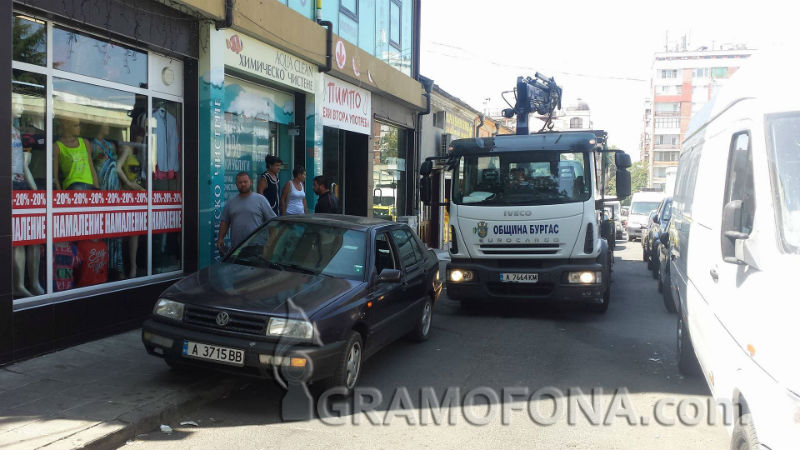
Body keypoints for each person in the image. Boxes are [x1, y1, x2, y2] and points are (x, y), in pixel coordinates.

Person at [217, 172, 276, 253]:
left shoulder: (260, 199)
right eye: (240, 182)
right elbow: (225, 222)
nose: (243, 184)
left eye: (245, 181)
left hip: (257, 246)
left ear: (250, 182)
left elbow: (272, 222)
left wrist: (271, 244)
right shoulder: (231, 202)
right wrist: (220, 238)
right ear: (236, 184)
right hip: (236, 247)